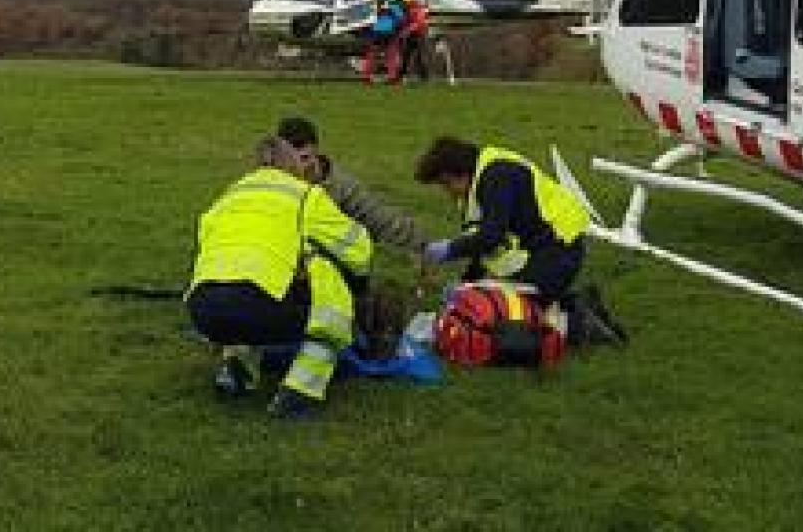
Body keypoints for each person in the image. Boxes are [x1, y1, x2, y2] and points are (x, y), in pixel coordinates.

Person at [185, 135, 372, 418]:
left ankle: (235, 371)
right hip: (257, 306)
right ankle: (298, 393)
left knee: (247, 288)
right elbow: (359, 250)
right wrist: (357, 284)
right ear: (295, 166)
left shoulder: (229, 196)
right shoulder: (305, 196)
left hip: (202, 309)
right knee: (328, 287)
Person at [413, 136, 589, 304]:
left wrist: (449, 249)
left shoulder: (497, 177)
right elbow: (484, 248)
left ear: (462, 172)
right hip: (543, 246)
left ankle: (577, 315)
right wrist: (466, 285)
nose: (448, 192)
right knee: (487, 302)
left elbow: (491, 237)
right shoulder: (480, 183)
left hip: (560, 247)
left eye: (446, 183)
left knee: (508, 305)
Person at [274, 116, 430, 261]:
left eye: (304, 158)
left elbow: (378, 217)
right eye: (290, 160)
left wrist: (423, 246)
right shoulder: (271, 182)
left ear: (316, 151)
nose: (298, 167)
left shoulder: (341, 187)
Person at [396, 0, 432, 83]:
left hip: (419, 34)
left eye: (403, 0)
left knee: (419, 56)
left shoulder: (417, 8)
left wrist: (406, 31)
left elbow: (419, 23)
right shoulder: (406, 9)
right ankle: (402, 75)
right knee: (406, 56)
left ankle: (424, 76)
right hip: (412, 34)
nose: (403, 2)